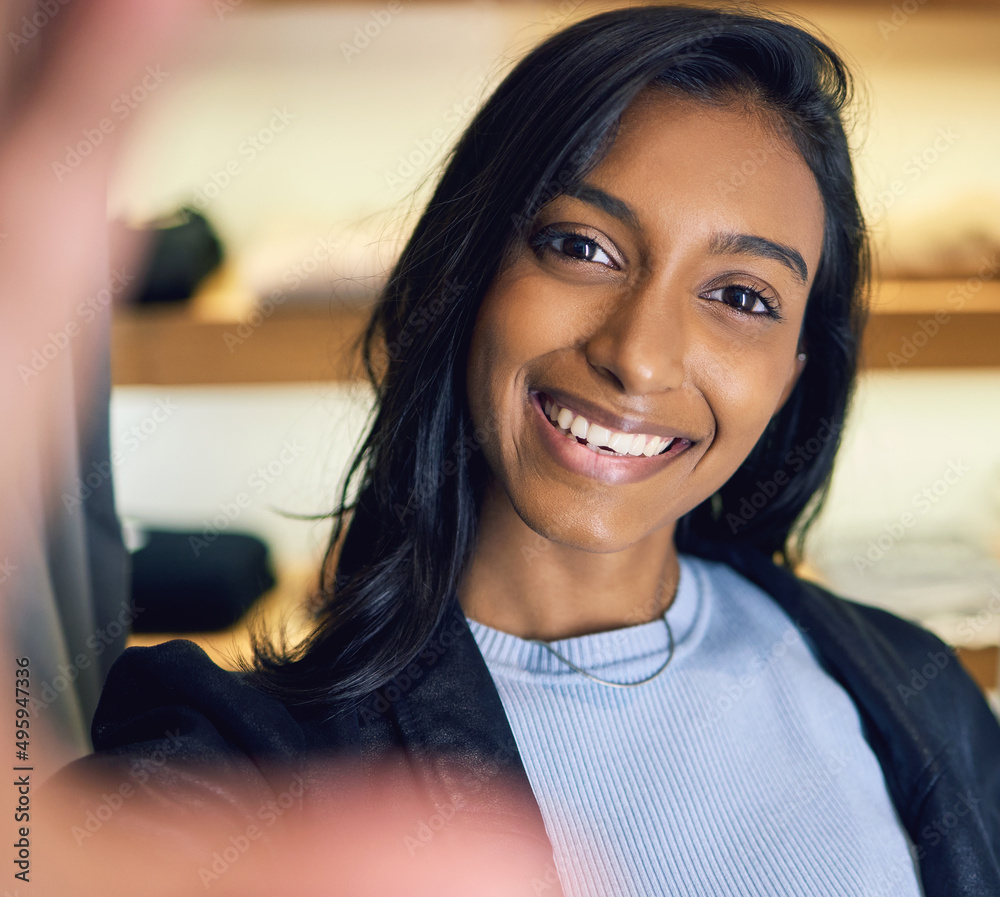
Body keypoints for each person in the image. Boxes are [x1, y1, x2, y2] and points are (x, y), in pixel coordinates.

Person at [51, 5, 1000, 896]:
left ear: (792, 375)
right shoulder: (245, 758)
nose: (637, 355)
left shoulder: (919, 695)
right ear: (469, 273)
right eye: (582, 246)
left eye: (742, 296)